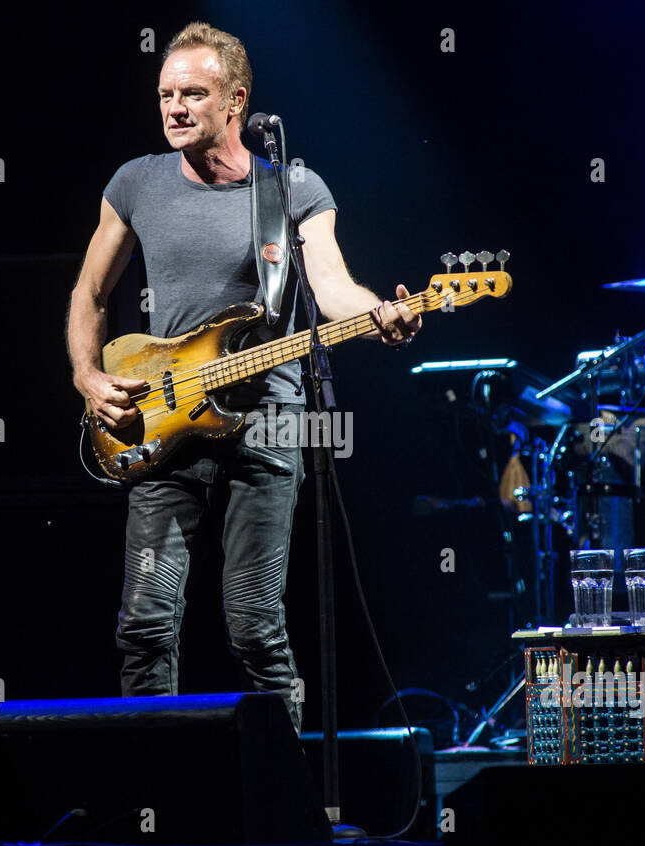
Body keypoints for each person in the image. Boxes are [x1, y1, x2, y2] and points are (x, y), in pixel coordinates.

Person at [65, 22, 420, 735]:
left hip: (268, 423)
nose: (173, 107)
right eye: (165, 93)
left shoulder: (291, 188)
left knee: (254, 624)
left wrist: (381, 312)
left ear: (235, 102)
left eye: (192, 93)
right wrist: (86, 376)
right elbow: (89, 294)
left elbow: (332, 287)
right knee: (145, 622)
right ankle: (154, 797)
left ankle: (283, 799)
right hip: (158, 423)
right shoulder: (134, 183)